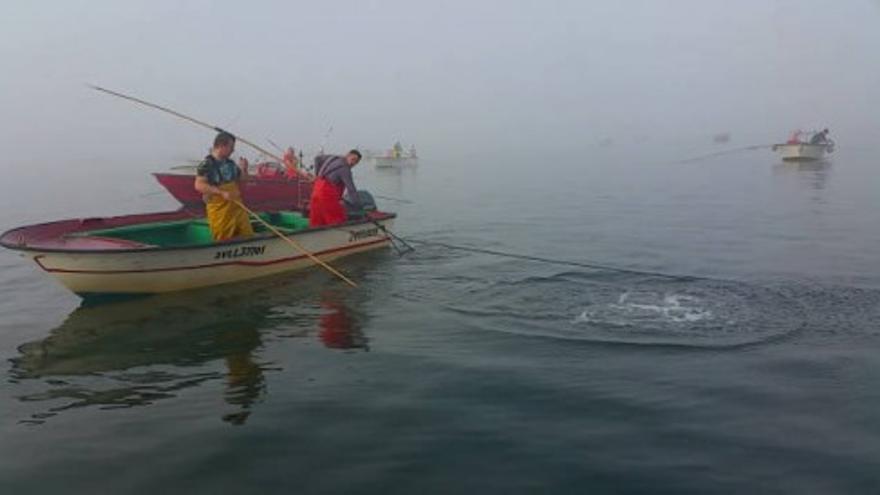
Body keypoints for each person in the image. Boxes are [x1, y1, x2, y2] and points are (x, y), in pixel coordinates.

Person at [194, 132, 254, 241]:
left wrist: (244, 169)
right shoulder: (206, 165)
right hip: (221, 211)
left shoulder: (231, 164)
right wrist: (221, 192)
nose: (233, 150)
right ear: (221, 146)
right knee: (224, 238)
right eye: (231, 147)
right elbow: (199, 185)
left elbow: (243, 179)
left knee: (247, 235)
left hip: (237, 208)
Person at [308, 149, 362, 227]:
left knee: (317, 222)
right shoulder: (345, 169)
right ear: (347, 155)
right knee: (338, 220)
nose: (352, 163)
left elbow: (317, 158)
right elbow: (351, 189)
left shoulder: (333, 157)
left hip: (316, 191)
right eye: (353, 159)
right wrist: (359, 206)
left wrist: (318, 175)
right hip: (327, 195)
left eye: (356, 162)